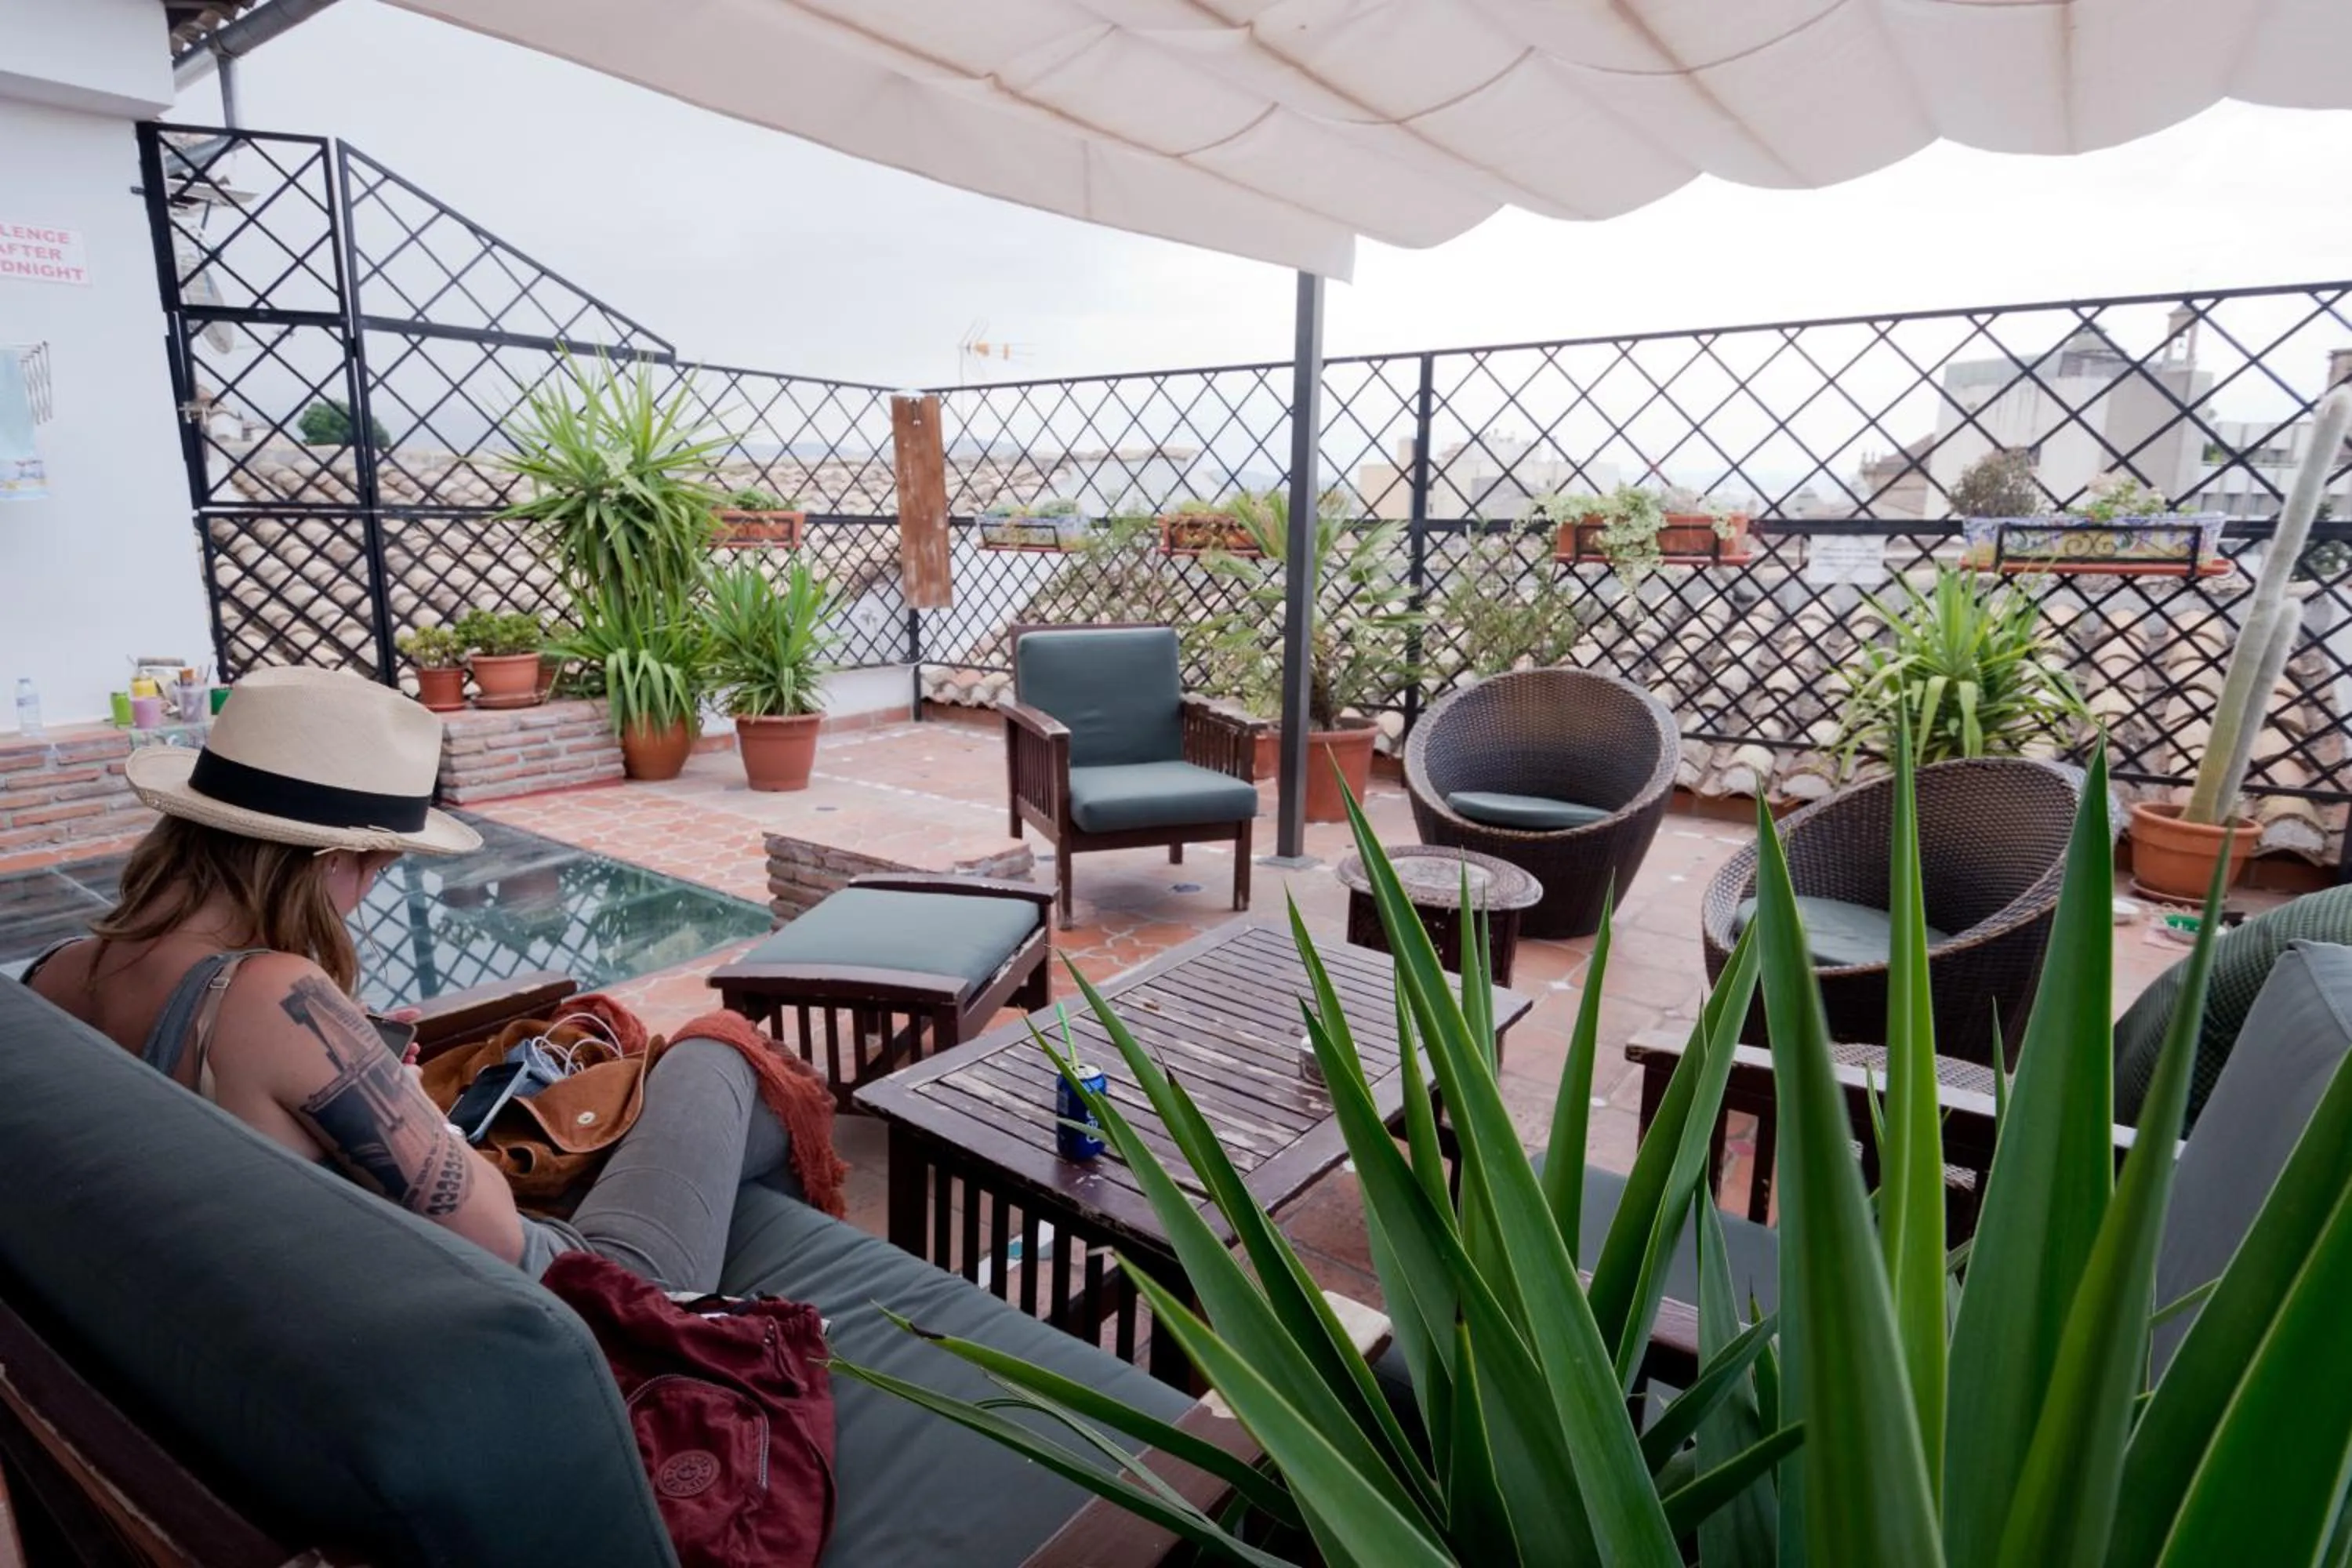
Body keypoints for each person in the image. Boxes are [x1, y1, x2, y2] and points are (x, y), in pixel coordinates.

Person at [21, 666, 789, 1290]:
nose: (367, 893)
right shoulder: (273, 998)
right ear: (328, 862)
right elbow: (493, 1230)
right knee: (722, 1059)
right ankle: (731, 1313)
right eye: (377, 869)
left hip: (228, 1298)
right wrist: (413, 1102)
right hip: (571, 1301)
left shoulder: (55, 973)